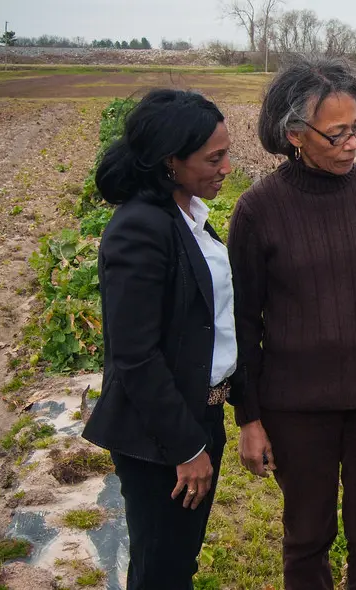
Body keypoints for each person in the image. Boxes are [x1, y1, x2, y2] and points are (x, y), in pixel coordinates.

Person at [227, 55, 356, 590]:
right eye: (336, 133)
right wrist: (248, 418)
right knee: (306, 540)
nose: (353, 143)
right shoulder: (258, 210)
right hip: (296, 407)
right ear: (295, 134)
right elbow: (243, 322)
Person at [82, 89, 242, 589]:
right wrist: (187, 447)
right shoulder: (140, 228)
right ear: (170, 161)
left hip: (200, 416)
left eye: (226, 153)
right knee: (161, 570)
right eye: (213, 158)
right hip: (160, 437)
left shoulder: (189, 217)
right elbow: (134, 356)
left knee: (178, 561)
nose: (227, 167)